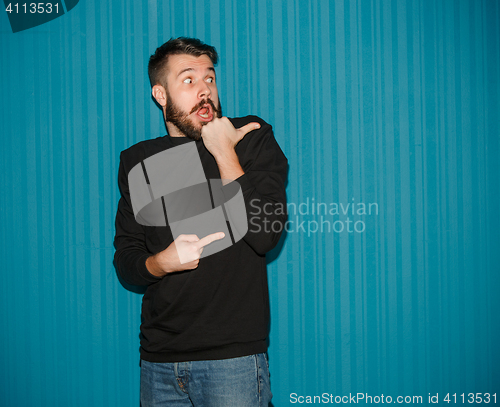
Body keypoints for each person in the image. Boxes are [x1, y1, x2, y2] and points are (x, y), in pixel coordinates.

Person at [114, 37, 287, 407]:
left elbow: (265, 235)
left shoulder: (250, 138)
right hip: (159, 363)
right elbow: (127, 261)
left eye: (210, 78)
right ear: (161, 95)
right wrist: (160, 263)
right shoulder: (137, 160)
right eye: (189, 80)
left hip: (233, 362)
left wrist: (223, 150)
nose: (205, 90)